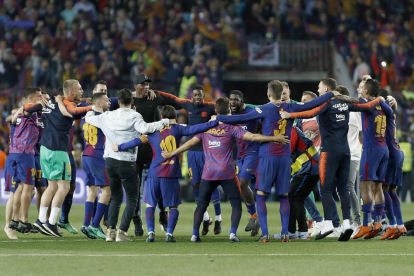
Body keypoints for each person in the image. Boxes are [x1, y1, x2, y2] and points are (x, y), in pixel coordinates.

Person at [216, 80, 337, 242]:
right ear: (282, 94)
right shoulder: (290, 108)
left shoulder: (264, 109)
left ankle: (265, 234)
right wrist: (330, 94)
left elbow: (240, 118)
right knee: (283, 196)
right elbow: (312, 104)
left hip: (268, 156)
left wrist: (218, 118)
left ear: (268, 94)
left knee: (260, 195)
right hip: (285, 158)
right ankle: (286, 234)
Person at [161, 97, 290, 243]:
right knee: (235, 203)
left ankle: (194, 235)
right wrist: (274, 138)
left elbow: (190, 143)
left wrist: (172, 153)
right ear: (229, 111)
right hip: (226, 173)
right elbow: (253, 137)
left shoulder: (206, 127)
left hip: (208, 173)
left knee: (202, 204)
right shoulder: (231, 128)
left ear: (215, 111)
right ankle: (232, 234)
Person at [282, 78, 382, 241]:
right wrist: (379, 99)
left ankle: (328, 222)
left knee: (326, 188)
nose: (318, 91)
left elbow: (309, 113)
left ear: (327, 89)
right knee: (343, 188)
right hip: (346, 151)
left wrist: (290, 114)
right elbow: (366, 106)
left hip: (329, 151)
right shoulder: (346, 104)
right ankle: (347, 223)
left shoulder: (326, 104)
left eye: (319, 88)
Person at [112, 105, 219, 242]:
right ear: (175, 117)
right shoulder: (179, 129)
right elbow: (196, 128)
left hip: (154, 173)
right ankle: (169, 234)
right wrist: (216, 121)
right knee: (173, 206)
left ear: (161, 118)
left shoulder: (152, 131)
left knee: (150, 205)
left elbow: (136, 141)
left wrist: (119, 147)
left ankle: (151, 233)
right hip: (171, 173)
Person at [85, 88, 170, 242]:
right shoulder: (135, 116)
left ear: (118, 102)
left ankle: (110, 231)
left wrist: (92, 108)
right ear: (132, 101)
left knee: (115, 197)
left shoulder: (107, 115)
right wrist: (164, 122)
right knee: (132, 198)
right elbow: (147, 129)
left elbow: (89, 118)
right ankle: (122, 232)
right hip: (127, 161)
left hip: (110, 161)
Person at [25, 79, 92, 237]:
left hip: (45, 149)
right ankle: (52, 223)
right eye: (80, 89)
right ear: (71, 92)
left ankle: (41, 220)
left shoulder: (48, 104)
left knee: (52, 187)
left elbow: (27, 109)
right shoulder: (68, 107)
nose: (82, 91)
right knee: (64, 188)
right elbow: (74, 112)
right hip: (59, 151)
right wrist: (94, 106)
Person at [156, 84, 223, 236]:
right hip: (192, 151)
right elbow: (172, 98)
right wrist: (156, 92)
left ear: (203, 95)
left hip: (208, 149)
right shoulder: (187, 105)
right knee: (196, 185)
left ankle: (218, 219)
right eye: (195, 95)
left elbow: (223, 109)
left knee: (212, 184)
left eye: (200, 94)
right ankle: (206, 217)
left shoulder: (211, 106)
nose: (197, 97)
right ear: (192, 96)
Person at [353, 79, 394, 239]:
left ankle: (365, 224)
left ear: (367, 92)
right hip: (383, 149)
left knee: (364, 185)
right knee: (377, 186)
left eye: (362, 88)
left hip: (371, 150)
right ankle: (377, 222)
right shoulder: (384, 106)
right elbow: (389, 111)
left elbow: (356, 103)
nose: (359, 90)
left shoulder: (366, 104)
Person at [7, 87, 40, 234]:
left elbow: (13, 118)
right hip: (25, 153)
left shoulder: (19, 113)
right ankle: (24, 221)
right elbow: (27, 110)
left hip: (15, 153)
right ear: (31, 99)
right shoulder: (29, 111)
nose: (41, 99)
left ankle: (14, 219)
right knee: (28, 188)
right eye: (39, 96)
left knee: (20, 188)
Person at [229, 90, 261, 236]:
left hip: (253, 152)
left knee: (243, 183)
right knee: (240, 186)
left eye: (236, 100)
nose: (233, 102)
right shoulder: (231, 115)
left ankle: (255, 216)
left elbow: (265, 120)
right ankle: (255, 217)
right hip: (240, 155)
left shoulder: (251, 112)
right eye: (231, 100)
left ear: (242, 101)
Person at [279, 127, 319, 240]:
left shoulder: (291, 130)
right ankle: (303, 231)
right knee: (298, 198)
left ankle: (291, 231)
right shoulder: (292, 130)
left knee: (291, 196)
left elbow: (288, 150)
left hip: (309, 168)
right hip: (311, 167)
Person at [80, 92, 112, 240]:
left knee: (92, 191)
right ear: (99, 104)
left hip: (86, 155)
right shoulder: (103, 118)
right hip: (97, 156)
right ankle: (95, 224)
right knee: (107, 191)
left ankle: (86, 224)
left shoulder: (86, 117)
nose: (109, 102)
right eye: (106, 100)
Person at [378, 89, 407, 239]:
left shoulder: (383, 110)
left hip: (390, 153)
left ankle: (392, 225)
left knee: (383, 189)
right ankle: (400, 225)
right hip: (397, 152)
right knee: (391, 191)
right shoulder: (390, 112)